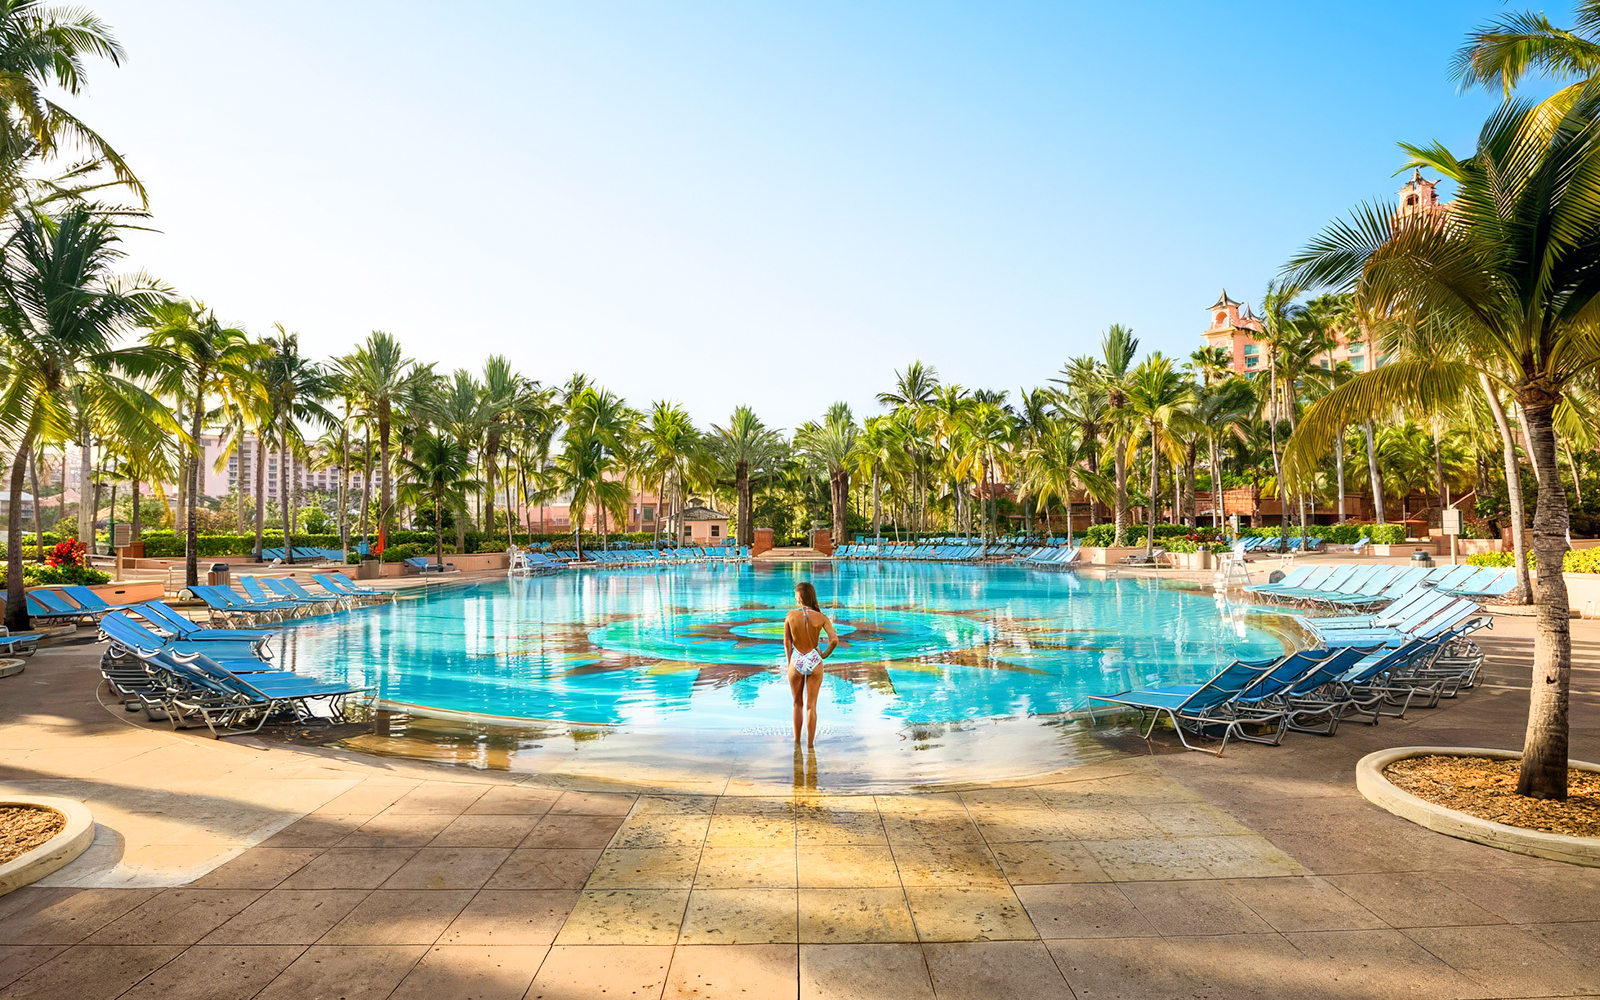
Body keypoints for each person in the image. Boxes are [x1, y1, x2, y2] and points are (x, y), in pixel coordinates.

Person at [783, 580, 838, 747]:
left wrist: (789, 664)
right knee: (811, 705)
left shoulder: (790, 616)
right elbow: (834, 640)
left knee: (797, 703)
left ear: (799, 598)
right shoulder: (821, 617)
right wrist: (825, 655)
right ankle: (810, 745)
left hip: (797, 658)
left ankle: (797, 741)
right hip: (814, 658)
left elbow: (787, 642)